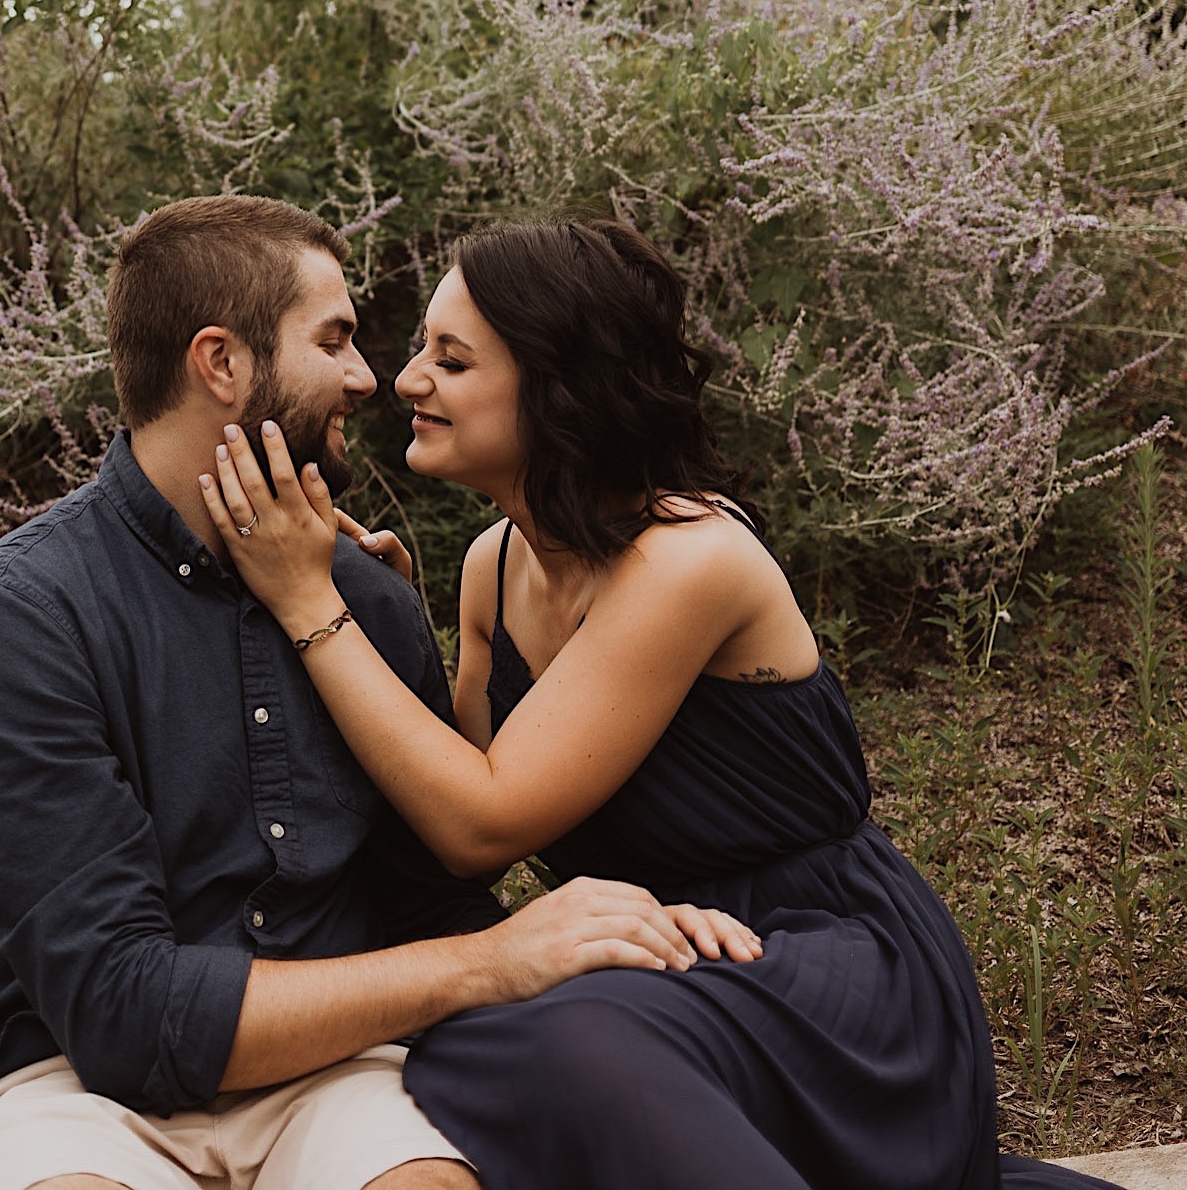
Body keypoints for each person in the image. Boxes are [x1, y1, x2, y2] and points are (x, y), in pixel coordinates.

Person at [203, 214, 1124, 1190]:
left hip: (830, 962)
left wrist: (308, 603)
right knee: (463, 1039)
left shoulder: (690, 560)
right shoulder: (490, 568)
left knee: (547, 1039)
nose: (406, 380)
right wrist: (375, 614)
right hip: (655, 956)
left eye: (453, 359)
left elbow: (483, 823)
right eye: (423, 349)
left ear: (556, 386)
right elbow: (444, 833)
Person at [0, 195, 757, 1190]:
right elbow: (117, 1010)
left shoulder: (366, 595)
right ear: (221, 363)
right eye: (337, 340)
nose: (370, 378)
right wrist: (492, 964)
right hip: (62, 1082)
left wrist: (620, 937)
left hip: (334, 1075)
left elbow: (429, 897)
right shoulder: (22, 616)